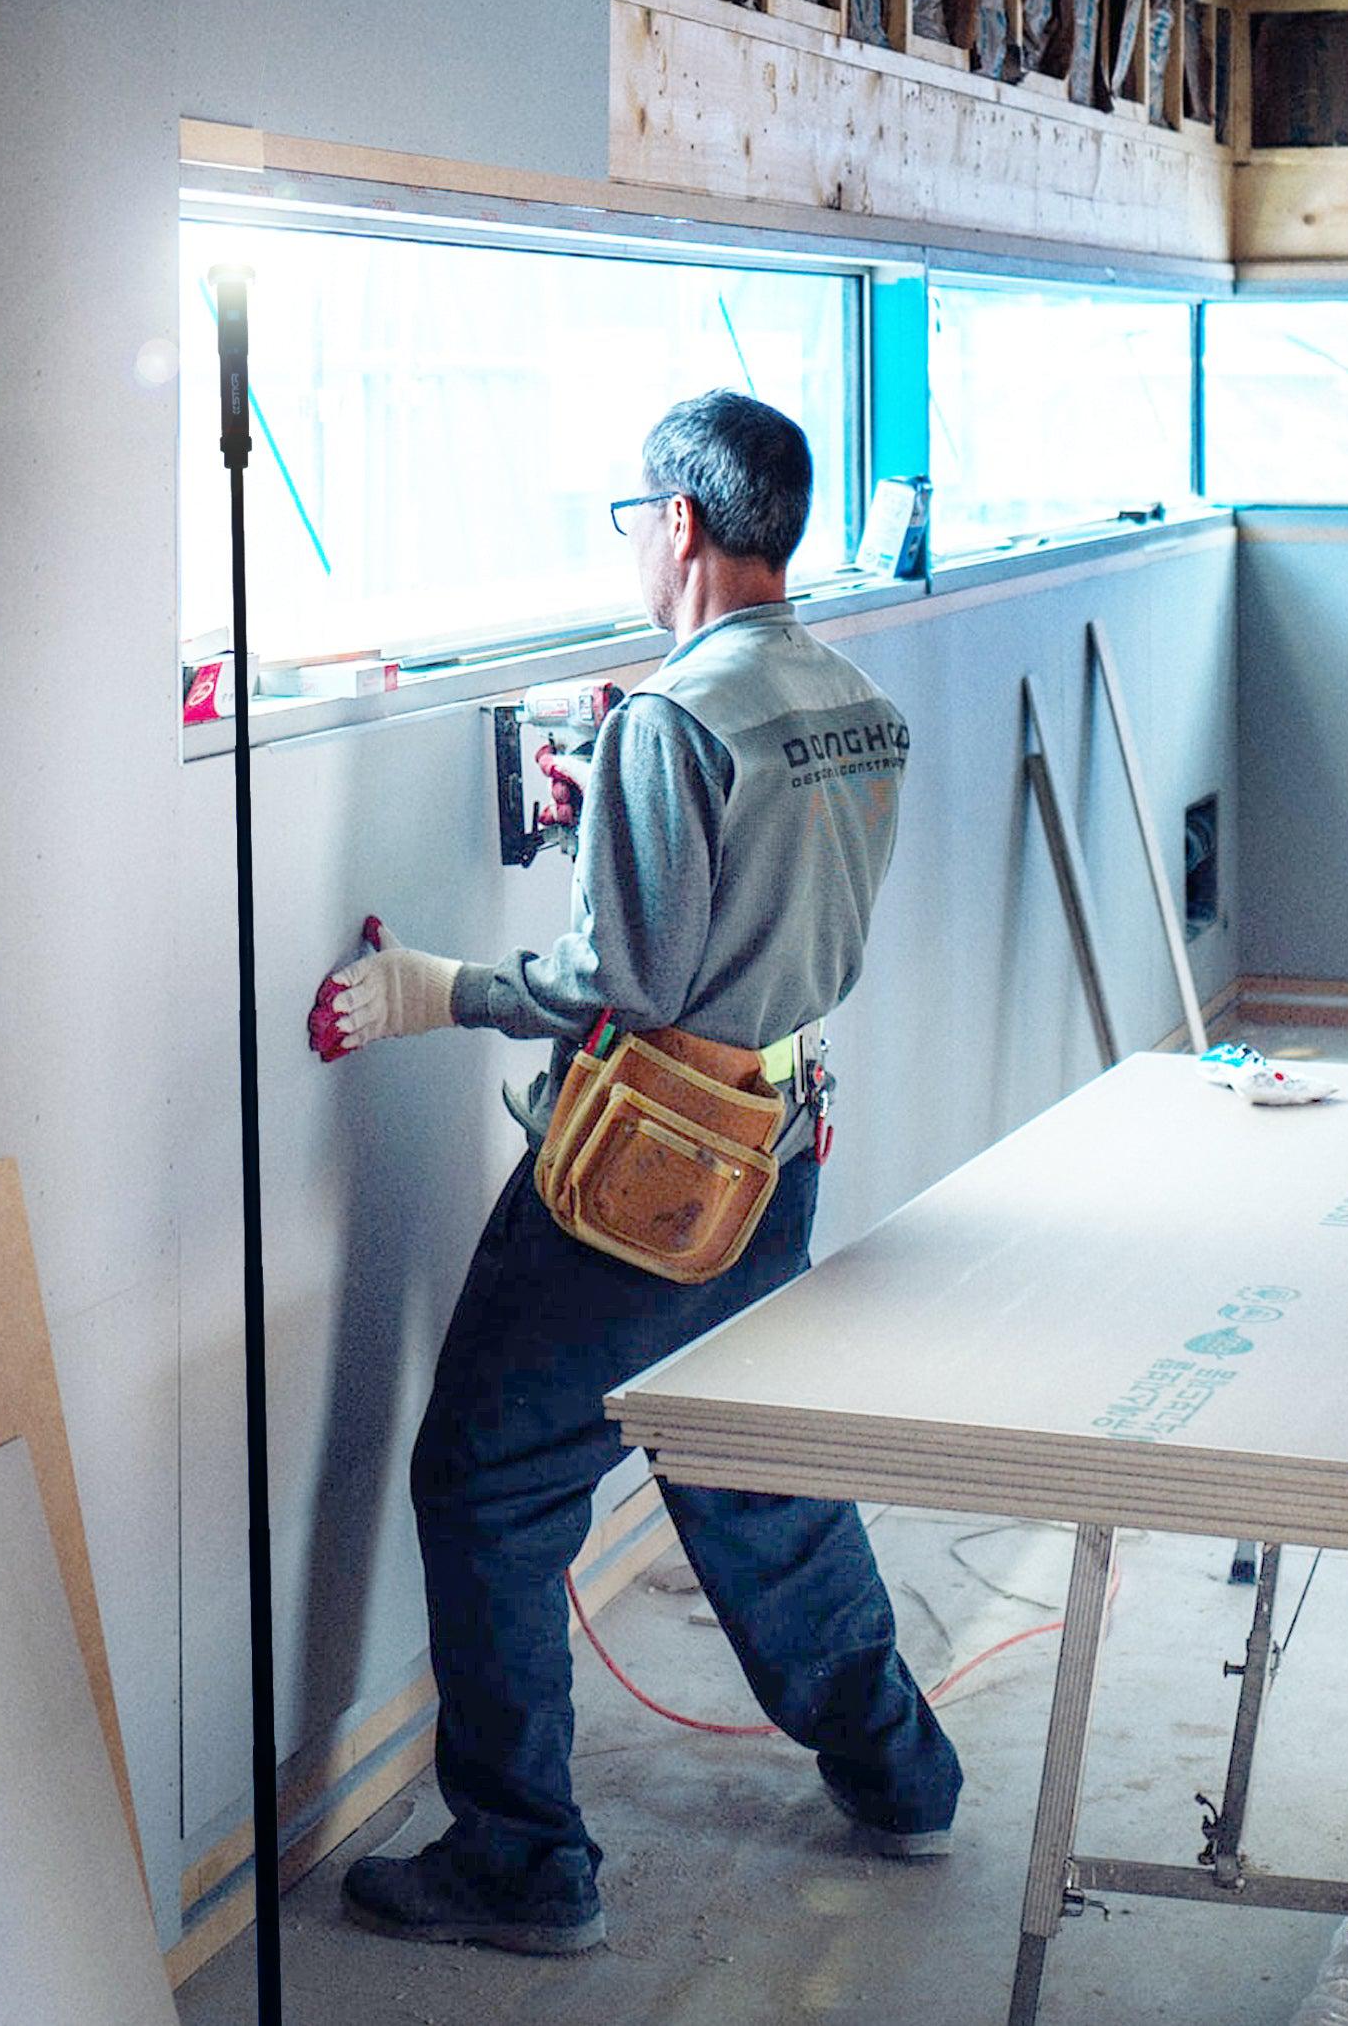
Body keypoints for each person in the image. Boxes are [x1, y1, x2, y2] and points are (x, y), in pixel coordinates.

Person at [305, 390, 960, 1957]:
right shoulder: (851, 701)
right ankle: (901, 1775)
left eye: (629, 517)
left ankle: (522, 1865)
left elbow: (629, 981)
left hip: (640, 1172)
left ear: (676, 524)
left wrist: (437, 988)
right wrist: (625, 777)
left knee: (484, 1484)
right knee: (748, 1472)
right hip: (778, 1140)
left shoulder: (672, 723)